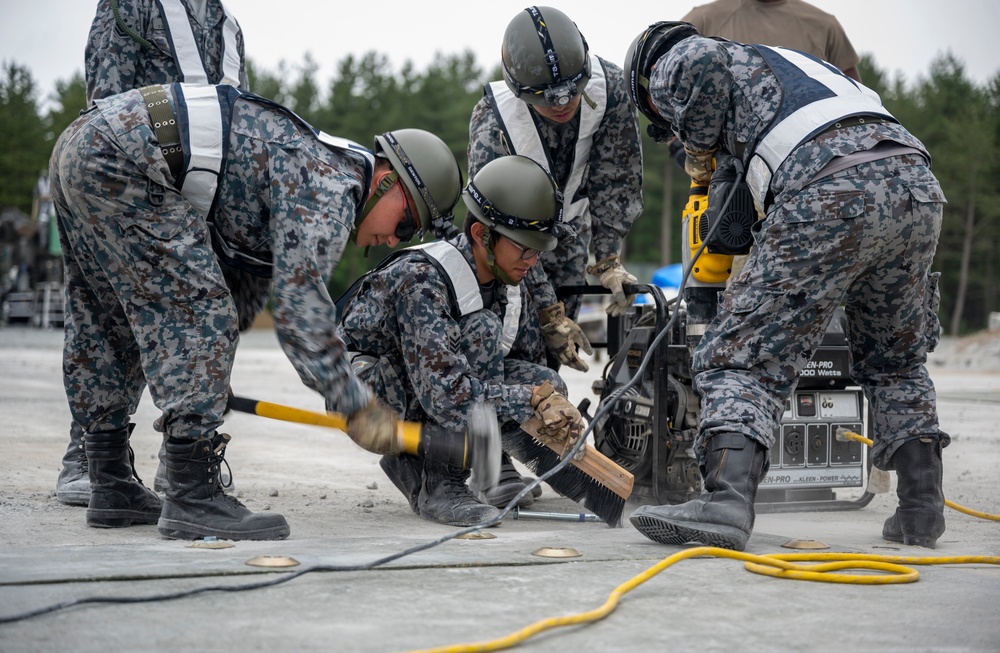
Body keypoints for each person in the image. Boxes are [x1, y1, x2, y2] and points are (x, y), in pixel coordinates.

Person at [49, 80, 463, 540]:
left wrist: (204, 385)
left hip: (86, 142)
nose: (393, 240)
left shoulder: (311, 165)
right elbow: (299, 313)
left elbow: (245, 287)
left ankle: (109, 481)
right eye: (405, 222)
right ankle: (192, 494)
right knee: (199, 310)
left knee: (104, 317)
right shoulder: (334, 185)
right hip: (129, 155)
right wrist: (357, 406)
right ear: (387, 177)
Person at [623, 22, 949, 550]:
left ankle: (726, 502)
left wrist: (702, 152)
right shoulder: (793, 67)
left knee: (737, 356)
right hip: (914, 184)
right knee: (895, 358)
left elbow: (698, 62)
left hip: (829, 186)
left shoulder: (672, 57)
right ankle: (921, 509)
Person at [57, 0, 250, 506]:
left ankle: (181, 455)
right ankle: (89, 454)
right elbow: (106, 103)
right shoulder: (132, 5)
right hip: (128, 179)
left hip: (196, 195)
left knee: (204, 318)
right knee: (107, 315)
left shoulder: (228, 25)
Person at [338, 155, 585, 526]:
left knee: (544, 383)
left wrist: (548, 403)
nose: (532, 260)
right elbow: (447, 397)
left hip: (417, 389)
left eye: (537, 250)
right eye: (524, 248)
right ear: (481, 235)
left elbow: (524, 368)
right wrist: (527, 400)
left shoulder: (504, 276)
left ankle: (439, 464)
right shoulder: (423, 280)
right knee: (482, 332)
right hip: (365, 398)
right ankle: (441, 484)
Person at [468, 6, 643, 504]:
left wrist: (607, 258)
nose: (565, 105)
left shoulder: (608, 91)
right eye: (549, 100)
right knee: (499, 340)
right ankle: (490, 462)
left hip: (567, 235)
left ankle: (537, 449)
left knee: (552, 352)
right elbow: (501, 225)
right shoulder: (495, 121)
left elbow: (617, 180)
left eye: (572, 90)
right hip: (504, 246)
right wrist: (544, 309)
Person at [85, 0, 248, 107]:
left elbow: (242, 113)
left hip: (215, 156)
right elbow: (105, 113)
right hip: (145, 155)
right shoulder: (131, 4)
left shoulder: (230, 27)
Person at [681, 0, 862, 81]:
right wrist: (676, 140)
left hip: (809, 150)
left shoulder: (823, 24)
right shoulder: (704, 19)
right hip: (724, 153)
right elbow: (663, 79)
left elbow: (856, 95)